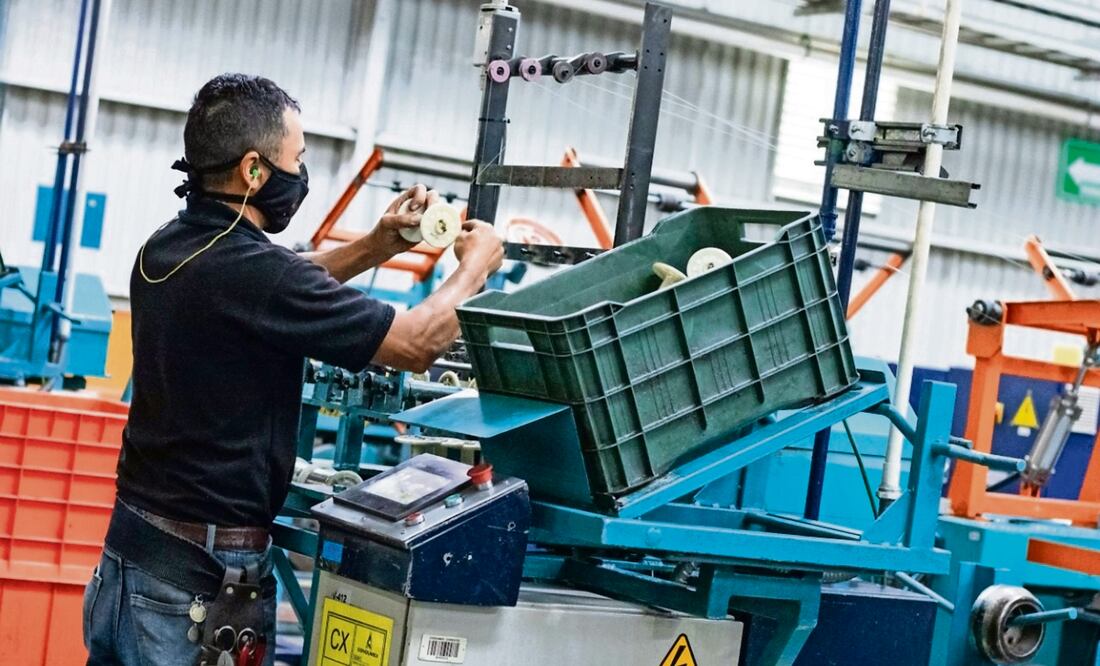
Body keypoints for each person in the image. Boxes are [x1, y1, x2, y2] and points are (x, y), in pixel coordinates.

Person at [81, 73, 503, 666]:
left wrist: (379, 244)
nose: (300, 174)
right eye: (296, 159)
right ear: (253, 170)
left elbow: (282, 285)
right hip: (195, 587)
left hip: (133, 565)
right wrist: (474, 271)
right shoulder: (253, 272)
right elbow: (415, 344)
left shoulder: (169, 247)